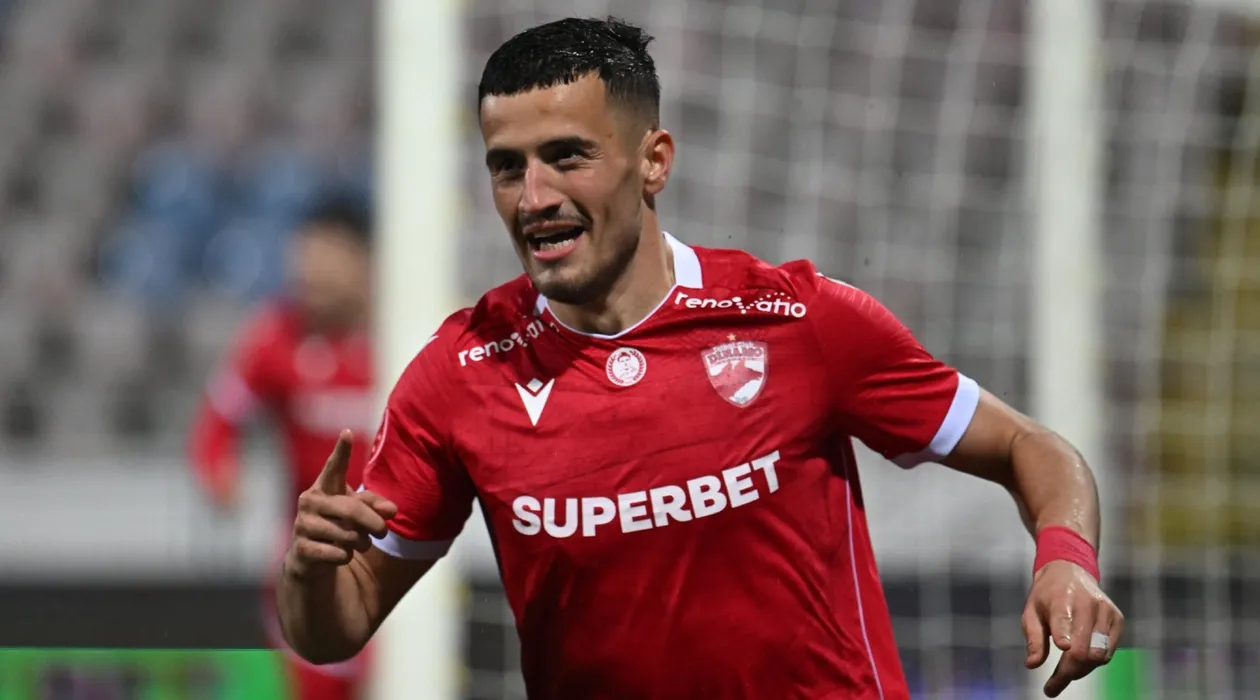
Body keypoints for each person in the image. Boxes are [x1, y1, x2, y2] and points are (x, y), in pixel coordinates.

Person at [275, 17, 1123, 700]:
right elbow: (337, 626)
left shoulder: (797, 320)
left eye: (567, 156)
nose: (534, 198)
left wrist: (1066, 558)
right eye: (507, 168)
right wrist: (311, 572)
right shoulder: (461, 373)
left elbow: (1030, 447)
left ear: (654, 162)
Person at [189, 194, 377, 700]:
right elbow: (215, 425)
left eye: (325, 258)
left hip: (400, 563)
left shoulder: (407, 338)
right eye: (302, 259)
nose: (308, 274)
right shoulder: (275, 338)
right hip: (310, 566)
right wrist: (219, 472)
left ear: (365, 261)